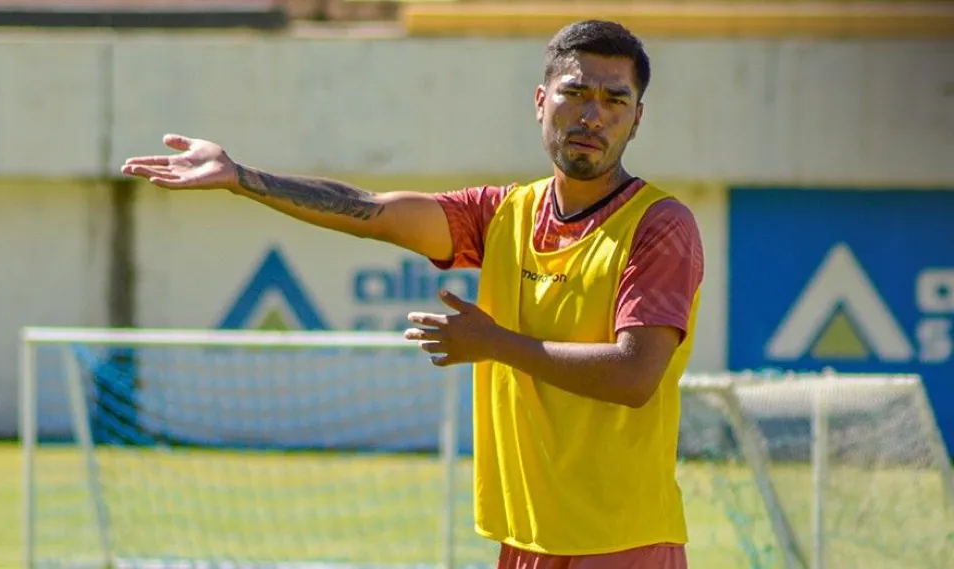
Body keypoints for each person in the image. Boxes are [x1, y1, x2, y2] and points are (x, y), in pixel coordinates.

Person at [122, 19, 703, 569]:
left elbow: (634, 377)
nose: (592, 115)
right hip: (527, 539)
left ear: (638, 118)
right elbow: (374, 211)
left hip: (625, 541)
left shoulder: (659, 226)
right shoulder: (503, 213)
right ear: (539, 101)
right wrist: (244, 178)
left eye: (614, 100)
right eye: (575, 93)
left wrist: (495, 343)